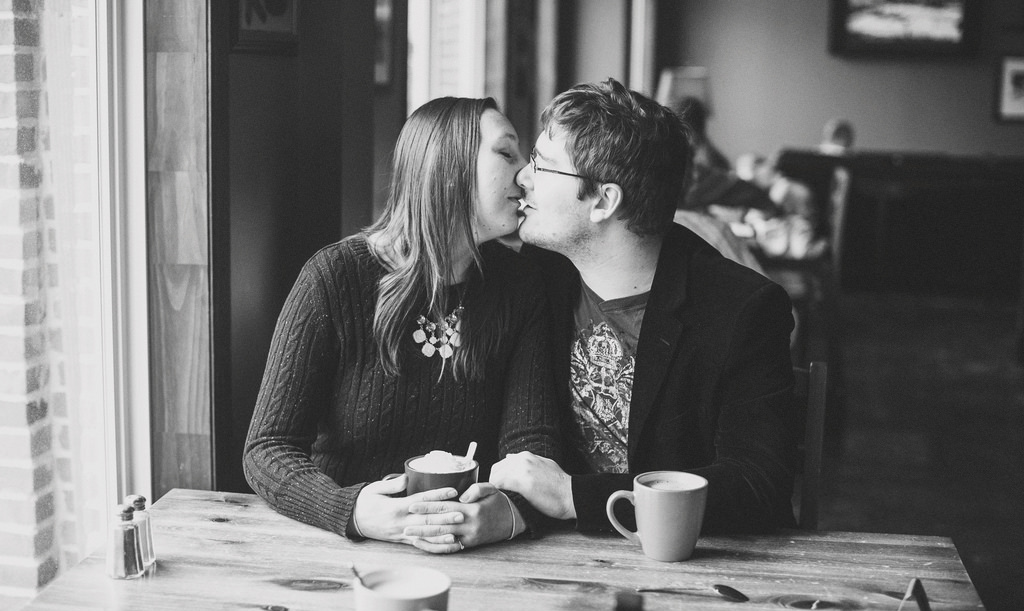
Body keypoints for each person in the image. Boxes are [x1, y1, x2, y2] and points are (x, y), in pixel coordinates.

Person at [243, 97, 561, 554]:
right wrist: (349, 509)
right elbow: (267, 448)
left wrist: (509, 514)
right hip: (343, 552)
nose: (526, 174)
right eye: (507, 153)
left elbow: (533, 444)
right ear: (447, 164)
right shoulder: (335, 278)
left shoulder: (519, 284)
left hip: (479, 556)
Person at [490, 78, 798, 534]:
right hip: (557, 562)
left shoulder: (742, 310)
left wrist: (573, 497)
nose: (523, 176)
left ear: (603, 200)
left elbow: (755, 485)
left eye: (544, 165)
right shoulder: (538, 275)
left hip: (695, 568)